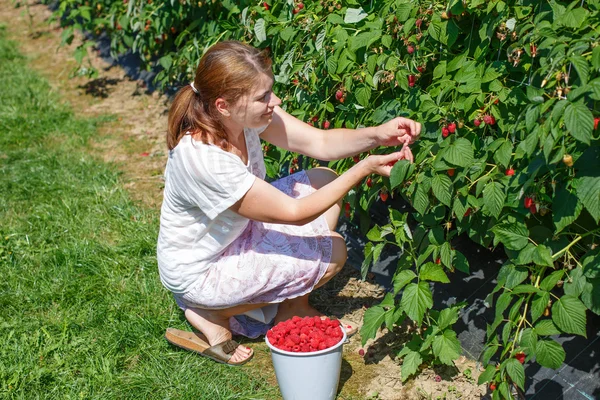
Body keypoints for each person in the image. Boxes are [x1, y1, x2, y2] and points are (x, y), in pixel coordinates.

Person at [158, 41, 421, 366]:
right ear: (224, 105)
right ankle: (210, 310)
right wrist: (365, 167)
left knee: (323, 180)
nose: (276, 101)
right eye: (263, 97)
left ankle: (291, 308)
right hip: (201, 270)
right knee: (333, 251)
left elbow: (320, 143)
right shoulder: (205, 159)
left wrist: (378, 134)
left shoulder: (241, 117)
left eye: (270, 91)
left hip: (234, 236)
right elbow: (294, 214)